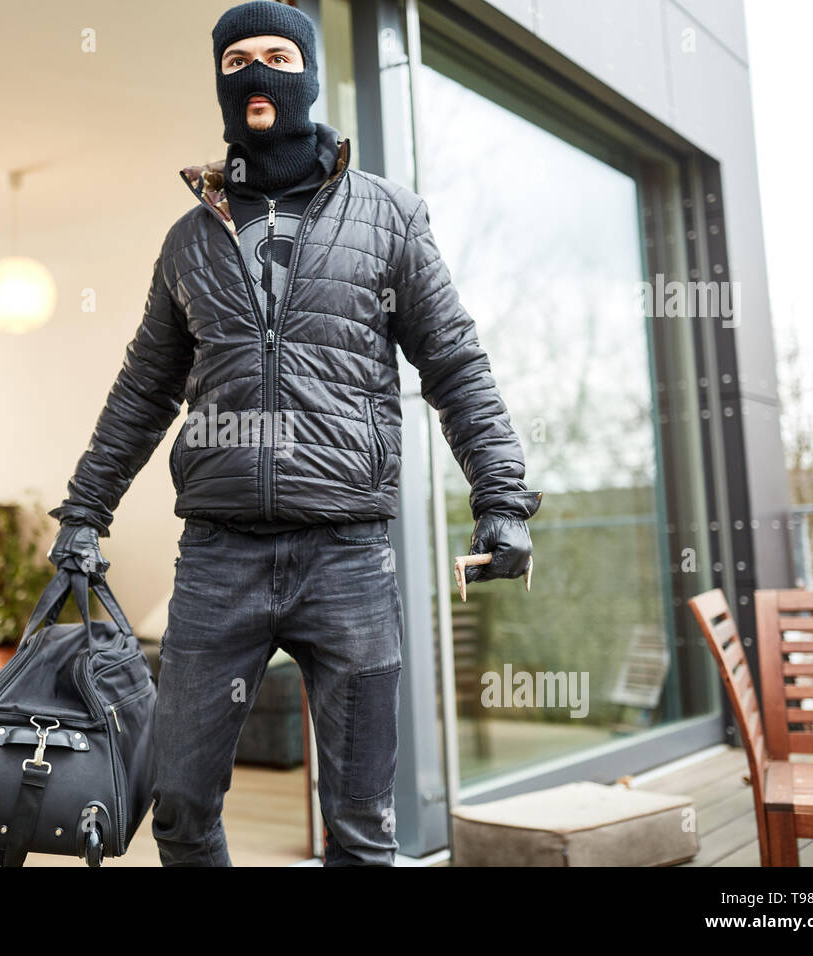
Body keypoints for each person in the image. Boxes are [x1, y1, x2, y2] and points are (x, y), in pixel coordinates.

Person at [48, 0, 541, 866]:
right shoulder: (189, 240)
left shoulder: (387, 215)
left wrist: (501, 498)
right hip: (218, 557)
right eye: (237, 60)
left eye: (279, 54)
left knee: (361, 826)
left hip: (348, 554)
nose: (258, 74)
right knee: (179, 808)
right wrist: (85, 509)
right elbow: (142, 390)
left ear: (310, 74)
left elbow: (455, 363)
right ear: (220, 84)